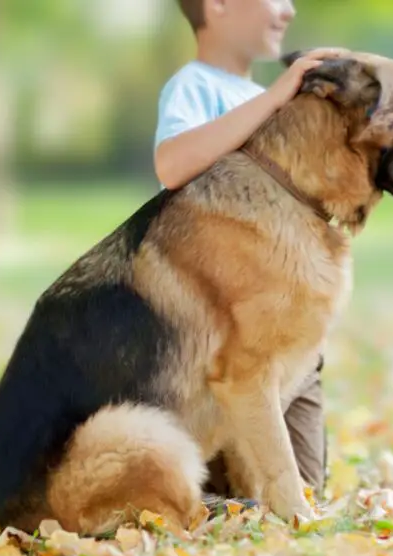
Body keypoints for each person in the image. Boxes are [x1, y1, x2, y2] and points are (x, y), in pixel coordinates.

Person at [153, 0, 340, 507]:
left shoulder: (261, 96)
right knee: (239, 490)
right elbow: (172, 167)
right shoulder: (194, 87)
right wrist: (279, 96)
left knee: (306, 489)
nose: (289, 9)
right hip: (228, 348)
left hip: (288, 348)